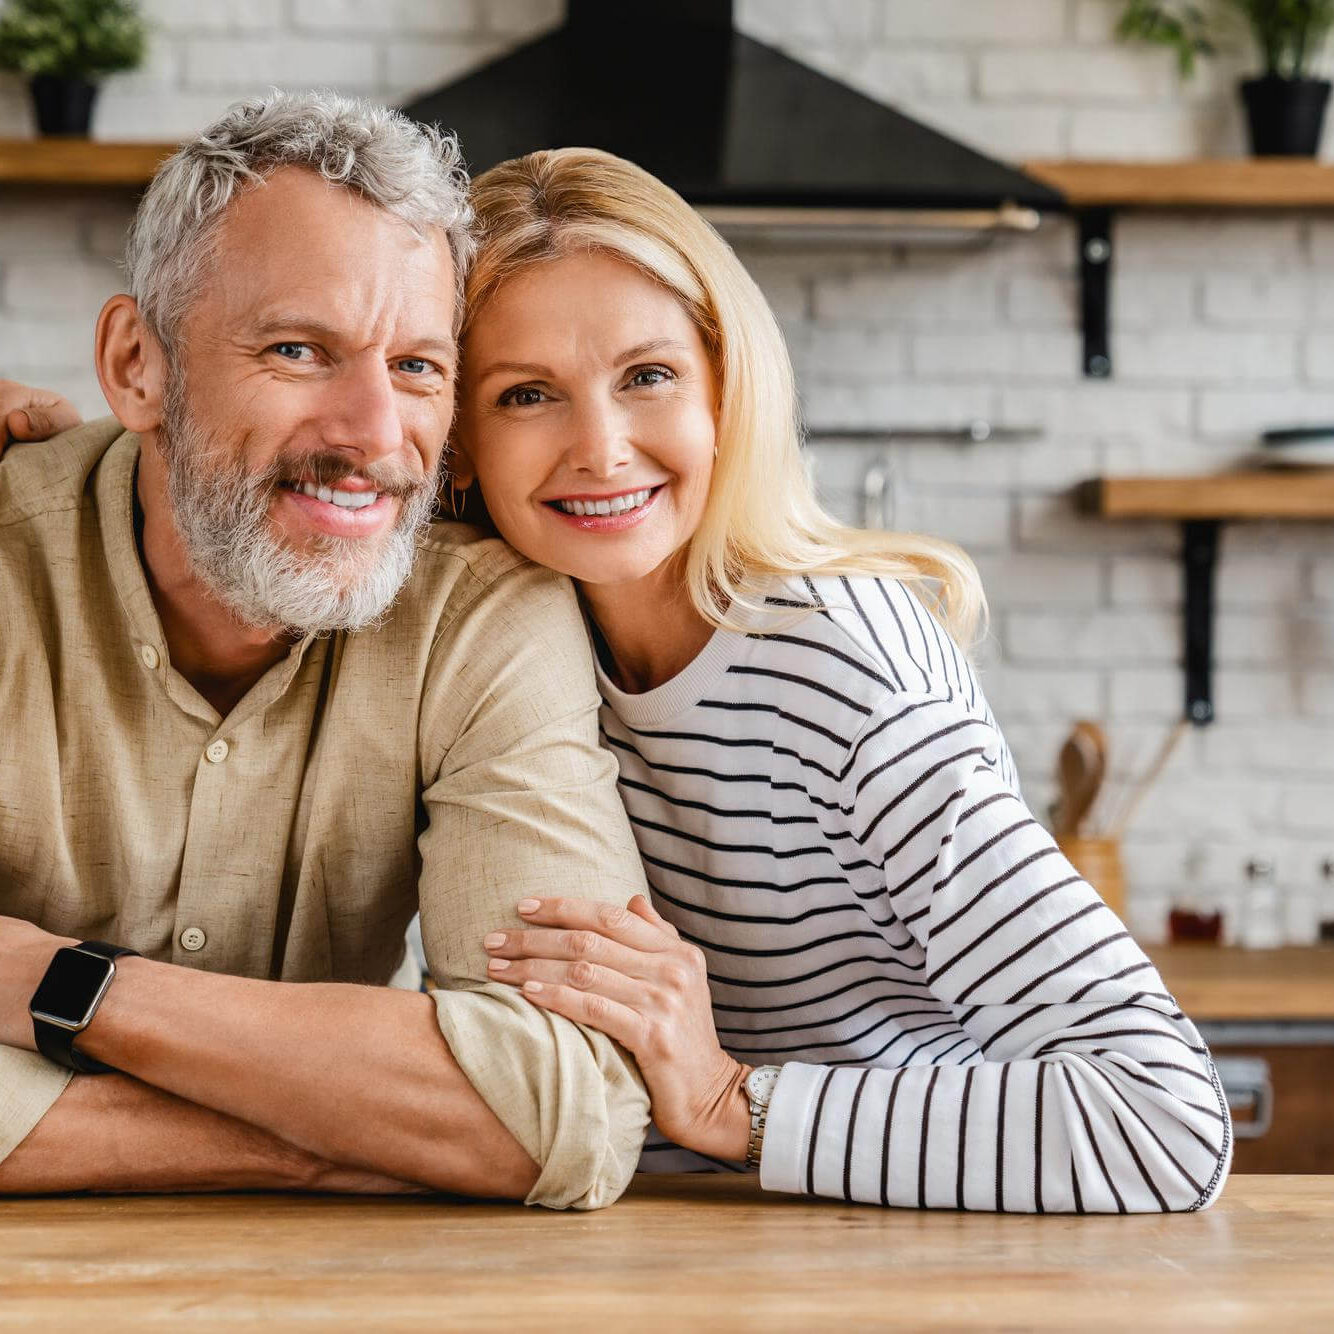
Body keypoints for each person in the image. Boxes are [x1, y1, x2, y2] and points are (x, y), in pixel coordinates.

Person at [6, 145, 1233, 1214]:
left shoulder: (846, 673)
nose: (598, 447)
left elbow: (1164, 1115)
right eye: (524, 393)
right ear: (460, 454)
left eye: (646, 375)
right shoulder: (498, 623)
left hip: (913, 1247)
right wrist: (89, 453)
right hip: (669, 1235)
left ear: (723, 385)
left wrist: (731, 1099)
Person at [0, 96, 650, 1208]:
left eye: (416, 367)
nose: (369, 433)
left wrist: (57, 985)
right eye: (298, 350)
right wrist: (319, 1140)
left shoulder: (481, 617)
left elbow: (565, 1105)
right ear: (135, 363)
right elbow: (502, 1127)